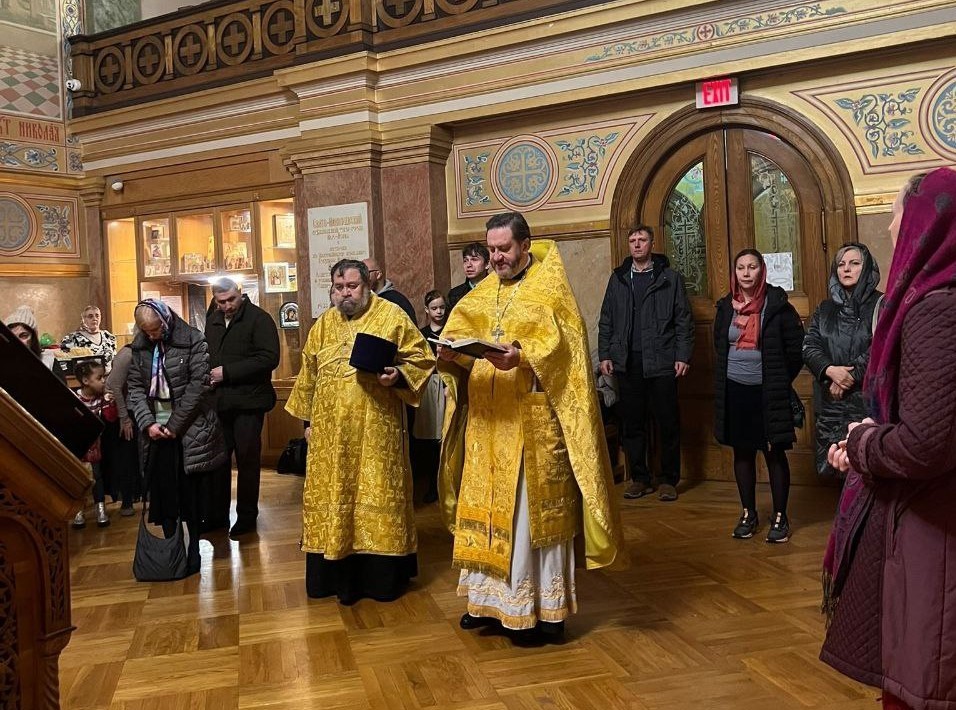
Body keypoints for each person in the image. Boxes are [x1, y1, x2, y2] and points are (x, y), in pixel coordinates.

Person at [437, 211, 622, 644]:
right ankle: (485, 603)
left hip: (530, 428)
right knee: (484, 514)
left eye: (504, 249)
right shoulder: (479, 294)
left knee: (525, 522)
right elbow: (462, 343)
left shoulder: (549, 289)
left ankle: (537, 611)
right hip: (487, 427)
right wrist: (452, 358)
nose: (496, 258)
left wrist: (523, 357)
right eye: (491, 250)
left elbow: (569, 354)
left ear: (524, 245)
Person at [821, 168, 956, 710]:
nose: (894, 227)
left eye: (899, 215)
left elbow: (926, 443)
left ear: (925, 223)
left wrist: (861, 445)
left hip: (934, 529)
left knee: (921, 683)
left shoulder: (936, 310)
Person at [285, 259, 434, 604]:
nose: (344, 294)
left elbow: (422, 359)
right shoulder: (323, 324)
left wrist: (396, 375)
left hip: (376, 432)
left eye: (351, 287)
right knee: (333, 499)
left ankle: (380, 580)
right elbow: (308, 377)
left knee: (378, 494)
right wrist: (307, 425)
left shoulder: (391, 315)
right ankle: (334, 577)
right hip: (330, 439)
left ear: (367, 285)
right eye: (338, 288)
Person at [127, 299, 227, 577]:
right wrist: (148, 423)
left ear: (166, 319)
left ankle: (193, 548)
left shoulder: (193, 339)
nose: (152, 336)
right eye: (146, 332)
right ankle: (174, 550)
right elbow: (134, 387)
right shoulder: (140, 346)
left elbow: (198, 387)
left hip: (187, 432)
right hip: (155, 434)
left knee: (190, 498)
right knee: (164, 496)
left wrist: (173, 425)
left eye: (156, 330)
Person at [713, 249, 804, 543]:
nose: (747, 273)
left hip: (768, 392)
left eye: (752, 267)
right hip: (735, 390)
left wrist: (778, 378)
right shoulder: (726, 306)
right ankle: (748, 513)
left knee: (774, 453)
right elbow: (719, 344)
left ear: (761, 270)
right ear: (735, 273)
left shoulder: (777, 305)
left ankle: (780, 516)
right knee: (742, 452)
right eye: (741, 268)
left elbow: (795, 348)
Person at [598, 225, 694, 502]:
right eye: (632, 240)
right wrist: (605, 354)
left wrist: (682, 355)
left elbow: (683, 321)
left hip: (663, 361)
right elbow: (607, 320)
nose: (637, 245)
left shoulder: (670, 278)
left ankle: (668, 480)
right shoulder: (618, 279)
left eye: (642, 240)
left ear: (652, 244)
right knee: (632, 423)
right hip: (627, 362)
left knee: (667, 423)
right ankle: (640, 478)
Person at [204, 278, 280, 537]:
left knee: (247, 461)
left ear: (240, 293)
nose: (226, 306)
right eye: (221, 301)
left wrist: (228, 372)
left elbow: (269, 358)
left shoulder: (259, 319)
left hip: (249, 402)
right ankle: (217, 516)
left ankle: (247, 517)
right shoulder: (212, 319)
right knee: (219, 462)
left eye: (231, 300)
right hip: (220, 403)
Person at [802, 244, 882, 477]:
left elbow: (880, 347)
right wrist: (829, 370)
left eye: (854, 263)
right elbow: (809, 346)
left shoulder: (882, 304)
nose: (846, 269)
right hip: (830, 402)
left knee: (866, 467)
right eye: (841, 264)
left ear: (866, 268)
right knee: (835, 465)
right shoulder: (824, 309)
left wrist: (848, 377)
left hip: (866, 401)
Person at [72, 359, 117, 529]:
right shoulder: (74, 397)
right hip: (77, 445)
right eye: (100, 378)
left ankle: (100, 506)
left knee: (97, 476)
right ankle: (78, 508)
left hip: (95, 445)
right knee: (78, 477)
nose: (104, 381)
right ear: (85, 381)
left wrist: (110, 403)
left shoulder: (102, 399)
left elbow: (110, 418)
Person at [411, 290, 447, 504]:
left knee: (442, 437)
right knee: (425, 437)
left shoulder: (450, 330)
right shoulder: (421, 333)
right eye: (434, 308)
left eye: (442, 307)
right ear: (426, 310)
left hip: (444, 385)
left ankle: (442, 485)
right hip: (426, 385)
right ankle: (429, 484)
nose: (439, 312)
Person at [107, 342, 142, 517]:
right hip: (128, 412)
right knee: (127, 457)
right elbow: (113, 385)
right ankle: (127, 500)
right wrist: (124, 418)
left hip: (143, 410)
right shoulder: (127, 353)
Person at [62, 305, 117, 372]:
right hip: (86, 377)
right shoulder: (72, 338)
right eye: (90, 316)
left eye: (97, 316)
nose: (94, 319)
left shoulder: (109, 337)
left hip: (109, 377)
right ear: (84, 319)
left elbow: (115, 360)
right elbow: (63, 364)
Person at [363, 257, 417, 323]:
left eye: (365, 273)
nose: (362, 278)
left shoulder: (397, 301)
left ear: (378, 275)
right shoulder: (362, 301)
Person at [447, 242, 490, 311]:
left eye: (474, 259)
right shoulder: (454, 295)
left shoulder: (498, 290)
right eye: (465, 260)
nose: (468, 265)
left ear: (487, 264)